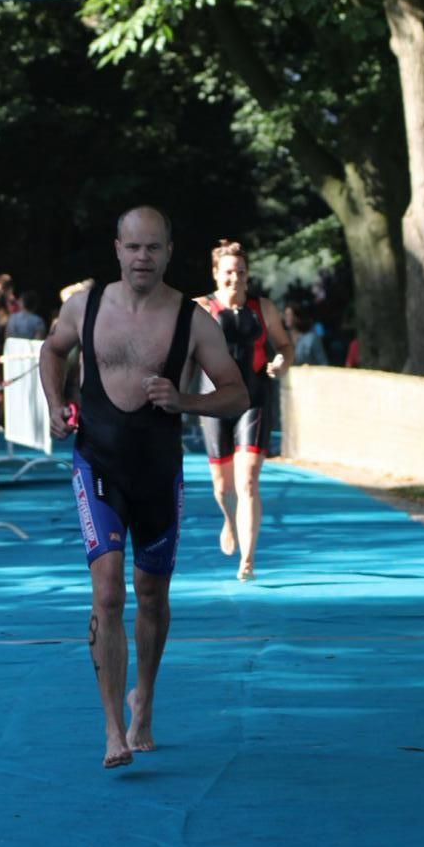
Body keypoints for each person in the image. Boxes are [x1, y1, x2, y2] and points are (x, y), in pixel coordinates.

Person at [39, 206, 249, 770]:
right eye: (133, 248)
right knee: (108, 593)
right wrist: (55, 402)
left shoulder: (192, 318)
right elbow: (52, 349)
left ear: (169, 253)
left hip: (158, 472)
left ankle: (144, 704)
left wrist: (186, 401)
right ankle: (112, 731)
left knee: (151, 596)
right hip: (97, 465)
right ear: (117, 249)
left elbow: (236, 393)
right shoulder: (84, 306)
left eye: (153, 248)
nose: (142, 258)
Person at [195, 240, 293, 582]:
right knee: (223, 488)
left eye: (241, 272)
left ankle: (248, 560)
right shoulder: (202, 308)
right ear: (215, 274)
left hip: (253, 398)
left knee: (248, 481)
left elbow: (284, 345)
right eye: (228, 273)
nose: (235, 279)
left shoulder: (263, 308)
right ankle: (228, 519)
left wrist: (281, 361)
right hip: (214, 402)